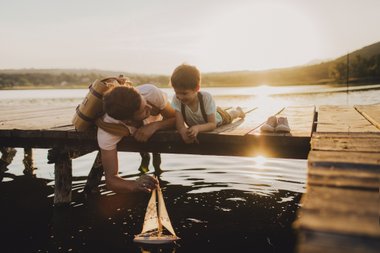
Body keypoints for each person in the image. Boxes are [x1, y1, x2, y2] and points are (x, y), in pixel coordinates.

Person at [96, 83, 176, 193]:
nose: (150, 107)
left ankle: (156, 168)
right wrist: (135, 184)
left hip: (156, 123)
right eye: (144, 110)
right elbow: (111, 180)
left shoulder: (150, 92)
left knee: (157, 166)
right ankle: (147, 163)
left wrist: (155, 126)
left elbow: (176, 118)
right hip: (126, 129)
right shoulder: (107, 132)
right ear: (128, 121)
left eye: (145, 101)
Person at [170, 64, 245, 144]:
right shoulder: (176, 99)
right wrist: (183, 133)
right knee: (214, 110)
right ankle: (214, 109)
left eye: (184, 93)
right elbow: (180, 125)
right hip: (203, 118)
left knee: (230, 116)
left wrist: (197, 128)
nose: (180, 97)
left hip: (218, 118)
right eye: (176, 92)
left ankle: (238, 111)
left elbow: (212, 124)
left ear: (197, 88)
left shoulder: (205, 97)